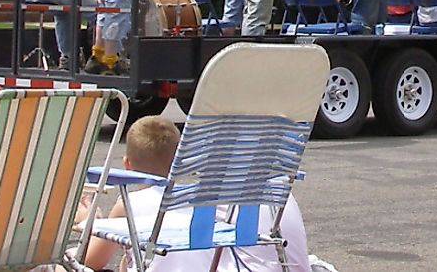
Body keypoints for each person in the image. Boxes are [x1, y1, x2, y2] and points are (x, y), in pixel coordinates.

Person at [81, 116, 312, 271]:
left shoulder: (132, 204)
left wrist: (87, 221)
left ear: (127, 164)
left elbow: (90, 260)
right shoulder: (273, 191)